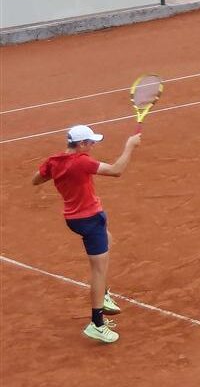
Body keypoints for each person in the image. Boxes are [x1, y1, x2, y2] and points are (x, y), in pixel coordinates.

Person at [32, 124, 142, 343]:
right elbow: (117, 170)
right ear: (81, 143)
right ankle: (97, 324)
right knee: (98, 271)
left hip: (74, 219)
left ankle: (104, 295)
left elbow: (36, 179)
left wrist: (61, 177)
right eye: (91, 142)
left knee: (107, 240)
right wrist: (130, 146)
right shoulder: (82, 162)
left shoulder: (55, 161)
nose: (93, 146)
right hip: (89, 220)